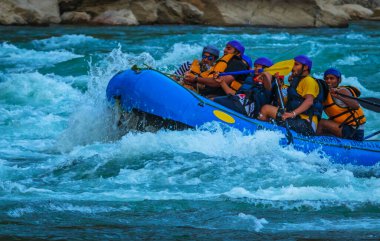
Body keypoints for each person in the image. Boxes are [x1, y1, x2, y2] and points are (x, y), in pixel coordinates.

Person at [258, 55, 324, 136]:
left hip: (306, 123)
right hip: (296, 119)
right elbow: (281, 102)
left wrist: (292, 114)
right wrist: (278, 86)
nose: (293, 67)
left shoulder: (308, 80)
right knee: (267, 109)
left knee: (266, 109)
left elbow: (309, 101)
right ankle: (265, 133)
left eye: (296, 64)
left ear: (306, 67)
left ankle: (260, 134)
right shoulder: (295, 83)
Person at [184, 40, 249, 98]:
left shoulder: (238, 64)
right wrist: (193, 82)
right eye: (225, 47)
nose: (225, 50)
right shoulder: (223, 64)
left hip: (218, 99)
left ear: (238, 53)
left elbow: (218, 82)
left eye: (228, 48)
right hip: (206, 94)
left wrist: (195, 79)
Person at [316, 68, 366, 140]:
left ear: (339, 80)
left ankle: (312, 143)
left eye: (332, 78)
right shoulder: (327, 94)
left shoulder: (342, 90)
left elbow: (355, 105)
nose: (328, 81)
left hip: (354, 130)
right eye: (326, 79)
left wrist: (338, 96)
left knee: (321, 123)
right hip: (345, 128)